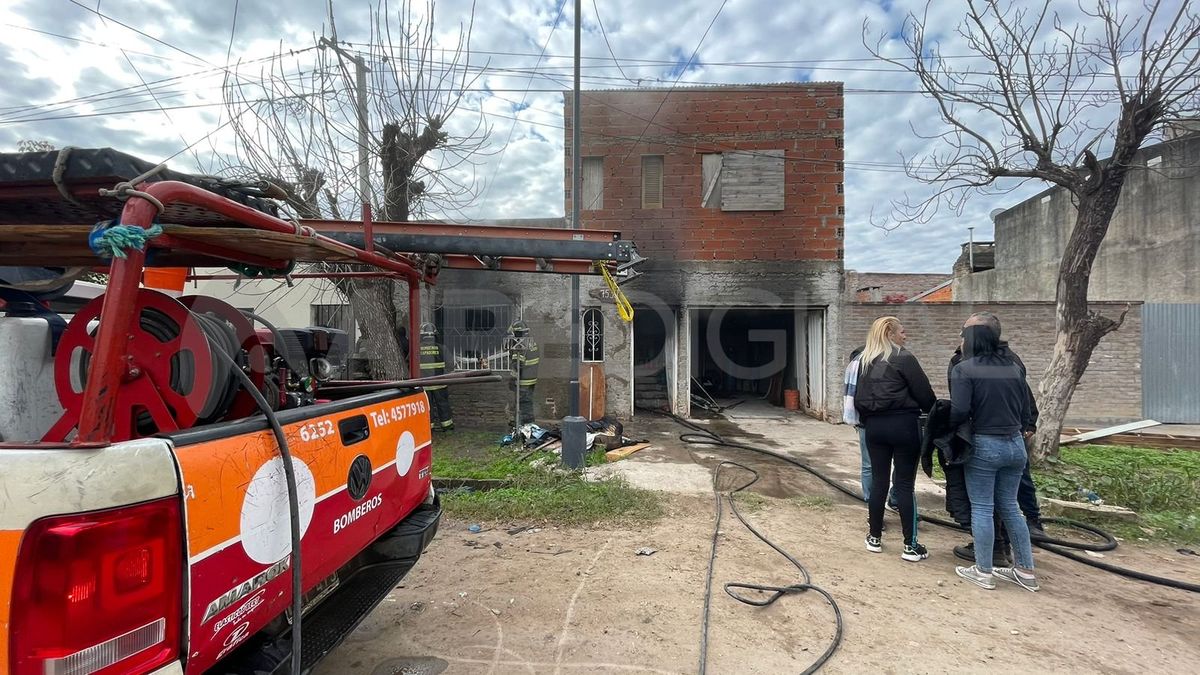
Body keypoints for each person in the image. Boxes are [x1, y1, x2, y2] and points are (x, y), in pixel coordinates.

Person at [948, 313, 1044, 567]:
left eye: (964, 334)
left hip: (984, 444)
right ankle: (1025, 570)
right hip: (1014, 443)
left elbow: (959, 410)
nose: (960, 338)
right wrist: (1024, 426)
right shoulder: (1012, 367)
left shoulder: (964, 368)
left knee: (982, 508)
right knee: (1011, 507)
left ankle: (985, 568)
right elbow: (1025, 405)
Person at [854, 317, 936, 562]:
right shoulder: (904, 358)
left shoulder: (865, 361)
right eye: (902, 331)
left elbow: (857, 397)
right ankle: (910, 545)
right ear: (890, 333)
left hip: (874, 428)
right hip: (903, 425)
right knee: (904, 485)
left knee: (879, 482)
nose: (905, 335)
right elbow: (925, 395)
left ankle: (874, 537)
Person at [846, 347, 898, 513]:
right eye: (901, 332)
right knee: (870, 464)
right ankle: (872, 505)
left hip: (894, 420)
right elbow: (857, 392)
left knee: (900, 464)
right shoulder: (861, 357)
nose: (905, 335)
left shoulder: (900, 357)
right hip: (868, 420)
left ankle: (895, 499)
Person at [418, 322, 454, 432]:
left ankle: (428, 429)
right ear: (434, 335)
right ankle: (447, 427)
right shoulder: (442, 348)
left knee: (427, 407)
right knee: (443, 404)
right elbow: (450, 365)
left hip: (424, 386)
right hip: (440, 383)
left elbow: (408, 364)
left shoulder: (416, 349)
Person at [508, 319, 539, 425]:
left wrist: (512, 380)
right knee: (527, 404)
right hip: (531, 380)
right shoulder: (531, 341)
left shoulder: (520, 345)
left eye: (513, 334)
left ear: (517, 332)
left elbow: (517, 365)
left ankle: (526, 427)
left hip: (523, 382)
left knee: (524, 404)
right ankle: (526, 424)